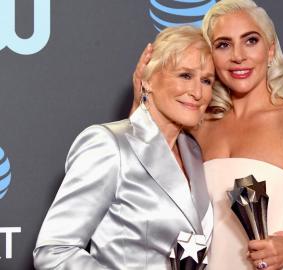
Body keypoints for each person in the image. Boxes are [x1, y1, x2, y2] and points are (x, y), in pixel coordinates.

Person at [132, 0, 283, 269]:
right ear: (211, 56)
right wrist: (142, 95)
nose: (238, 55)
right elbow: (142, 182)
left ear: (270, 50)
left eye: (250, 41)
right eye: (223, 45)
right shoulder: (198, 127)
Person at [33, 26, 215, 270]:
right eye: (185, 75)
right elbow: (54, 251)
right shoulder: (107, 144)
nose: (197, 92)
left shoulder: (193, 152)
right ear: (148, 80)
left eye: (206, 81)